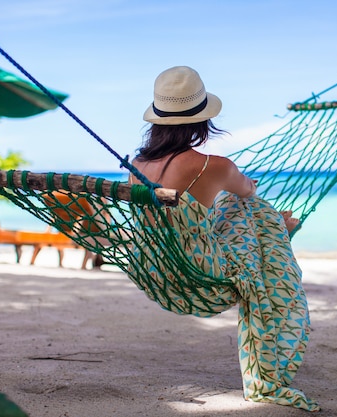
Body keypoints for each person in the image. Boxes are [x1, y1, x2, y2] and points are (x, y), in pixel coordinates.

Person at [129, 66, 318, 411]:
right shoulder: (212, 166)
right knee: (248, 205)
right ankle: (280, 233)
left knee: (235, 210)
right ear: (202, 121)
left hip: (156, 268)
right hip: (204, 275)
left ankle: (278, 230)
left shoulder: (135, 163)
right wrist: (268, 218)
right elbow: (248, 190)